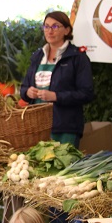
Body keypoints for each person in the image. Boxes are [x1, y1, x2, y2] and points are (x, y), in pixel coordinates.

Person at [20, 10, 94, 147]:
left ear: (66, 30)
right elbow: (24, 87)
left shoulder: (77, 58)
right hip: (38, 126)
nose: (50, 31)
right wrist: (27, 92)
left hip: (65, 127)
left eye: (55, 26)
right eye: (46, 26)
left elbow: (86, 93)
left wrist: (56, 96)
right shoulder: (37, 56)